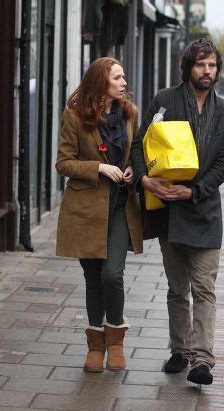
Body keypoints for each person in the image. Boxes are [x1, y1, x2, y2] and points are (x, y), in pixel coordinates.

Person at [131, 38, 224, 385]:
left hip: (204, 210)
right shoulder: (165, 100)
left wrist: (193, 189)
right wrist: (145, 180)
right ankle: (179, 350)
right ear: (188, 67)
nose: (207, 72)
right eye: (200, 65)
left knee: (203, 288)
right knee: (177, 288)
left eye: (212, 66)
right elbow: (139, 142)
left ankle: (203, 360)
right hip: (168, 211)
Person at [56, 57, 143, 373]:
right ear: (100, 83)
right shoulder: (75, 116)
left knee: (111, 274)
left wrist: (135, 167)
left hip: (121, 207)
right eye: (117, 78)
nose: (123, 83)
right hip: (86, 210)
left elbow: (137, 150)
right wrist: (99, 168)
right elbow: (63, 163)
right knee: (93, 279)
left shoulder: (129, 114)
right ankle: (95, 345)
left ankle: (116, 340)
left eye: (124, 77)